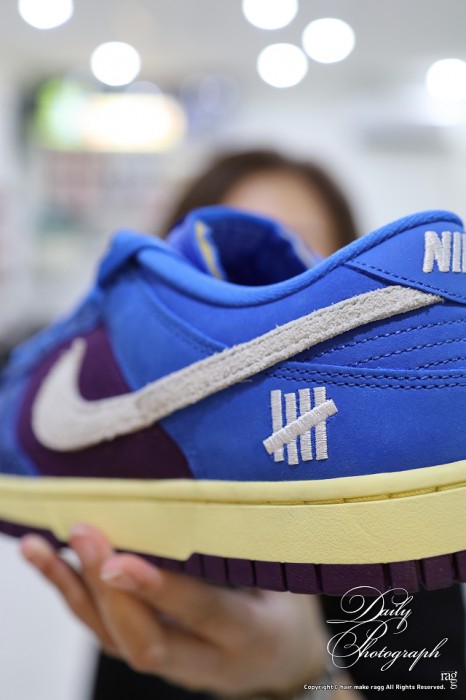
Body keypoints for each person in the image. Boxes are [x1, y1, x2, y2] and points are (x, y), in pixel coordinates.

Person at [20, 149, 465, 699]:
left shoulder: (399, 539)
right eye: (228, 275)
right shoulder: (416, 490)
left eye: (306, 253)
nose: (280, 276)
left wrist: (304, 675)